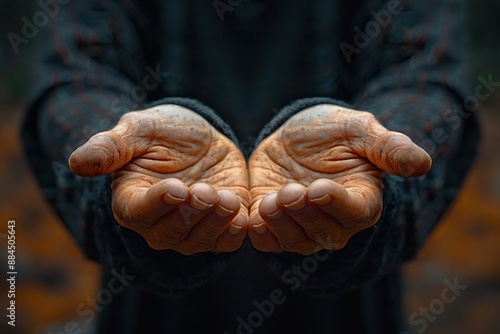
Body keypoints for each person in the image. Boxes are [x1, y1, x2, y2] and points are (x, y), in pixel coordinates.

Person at [22, 0, 479, 333]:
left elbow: (425, 76)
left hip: (352, 305)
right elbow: (76, 76)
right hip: (147, 305)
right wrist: (123, 143)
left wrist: (375, 143)